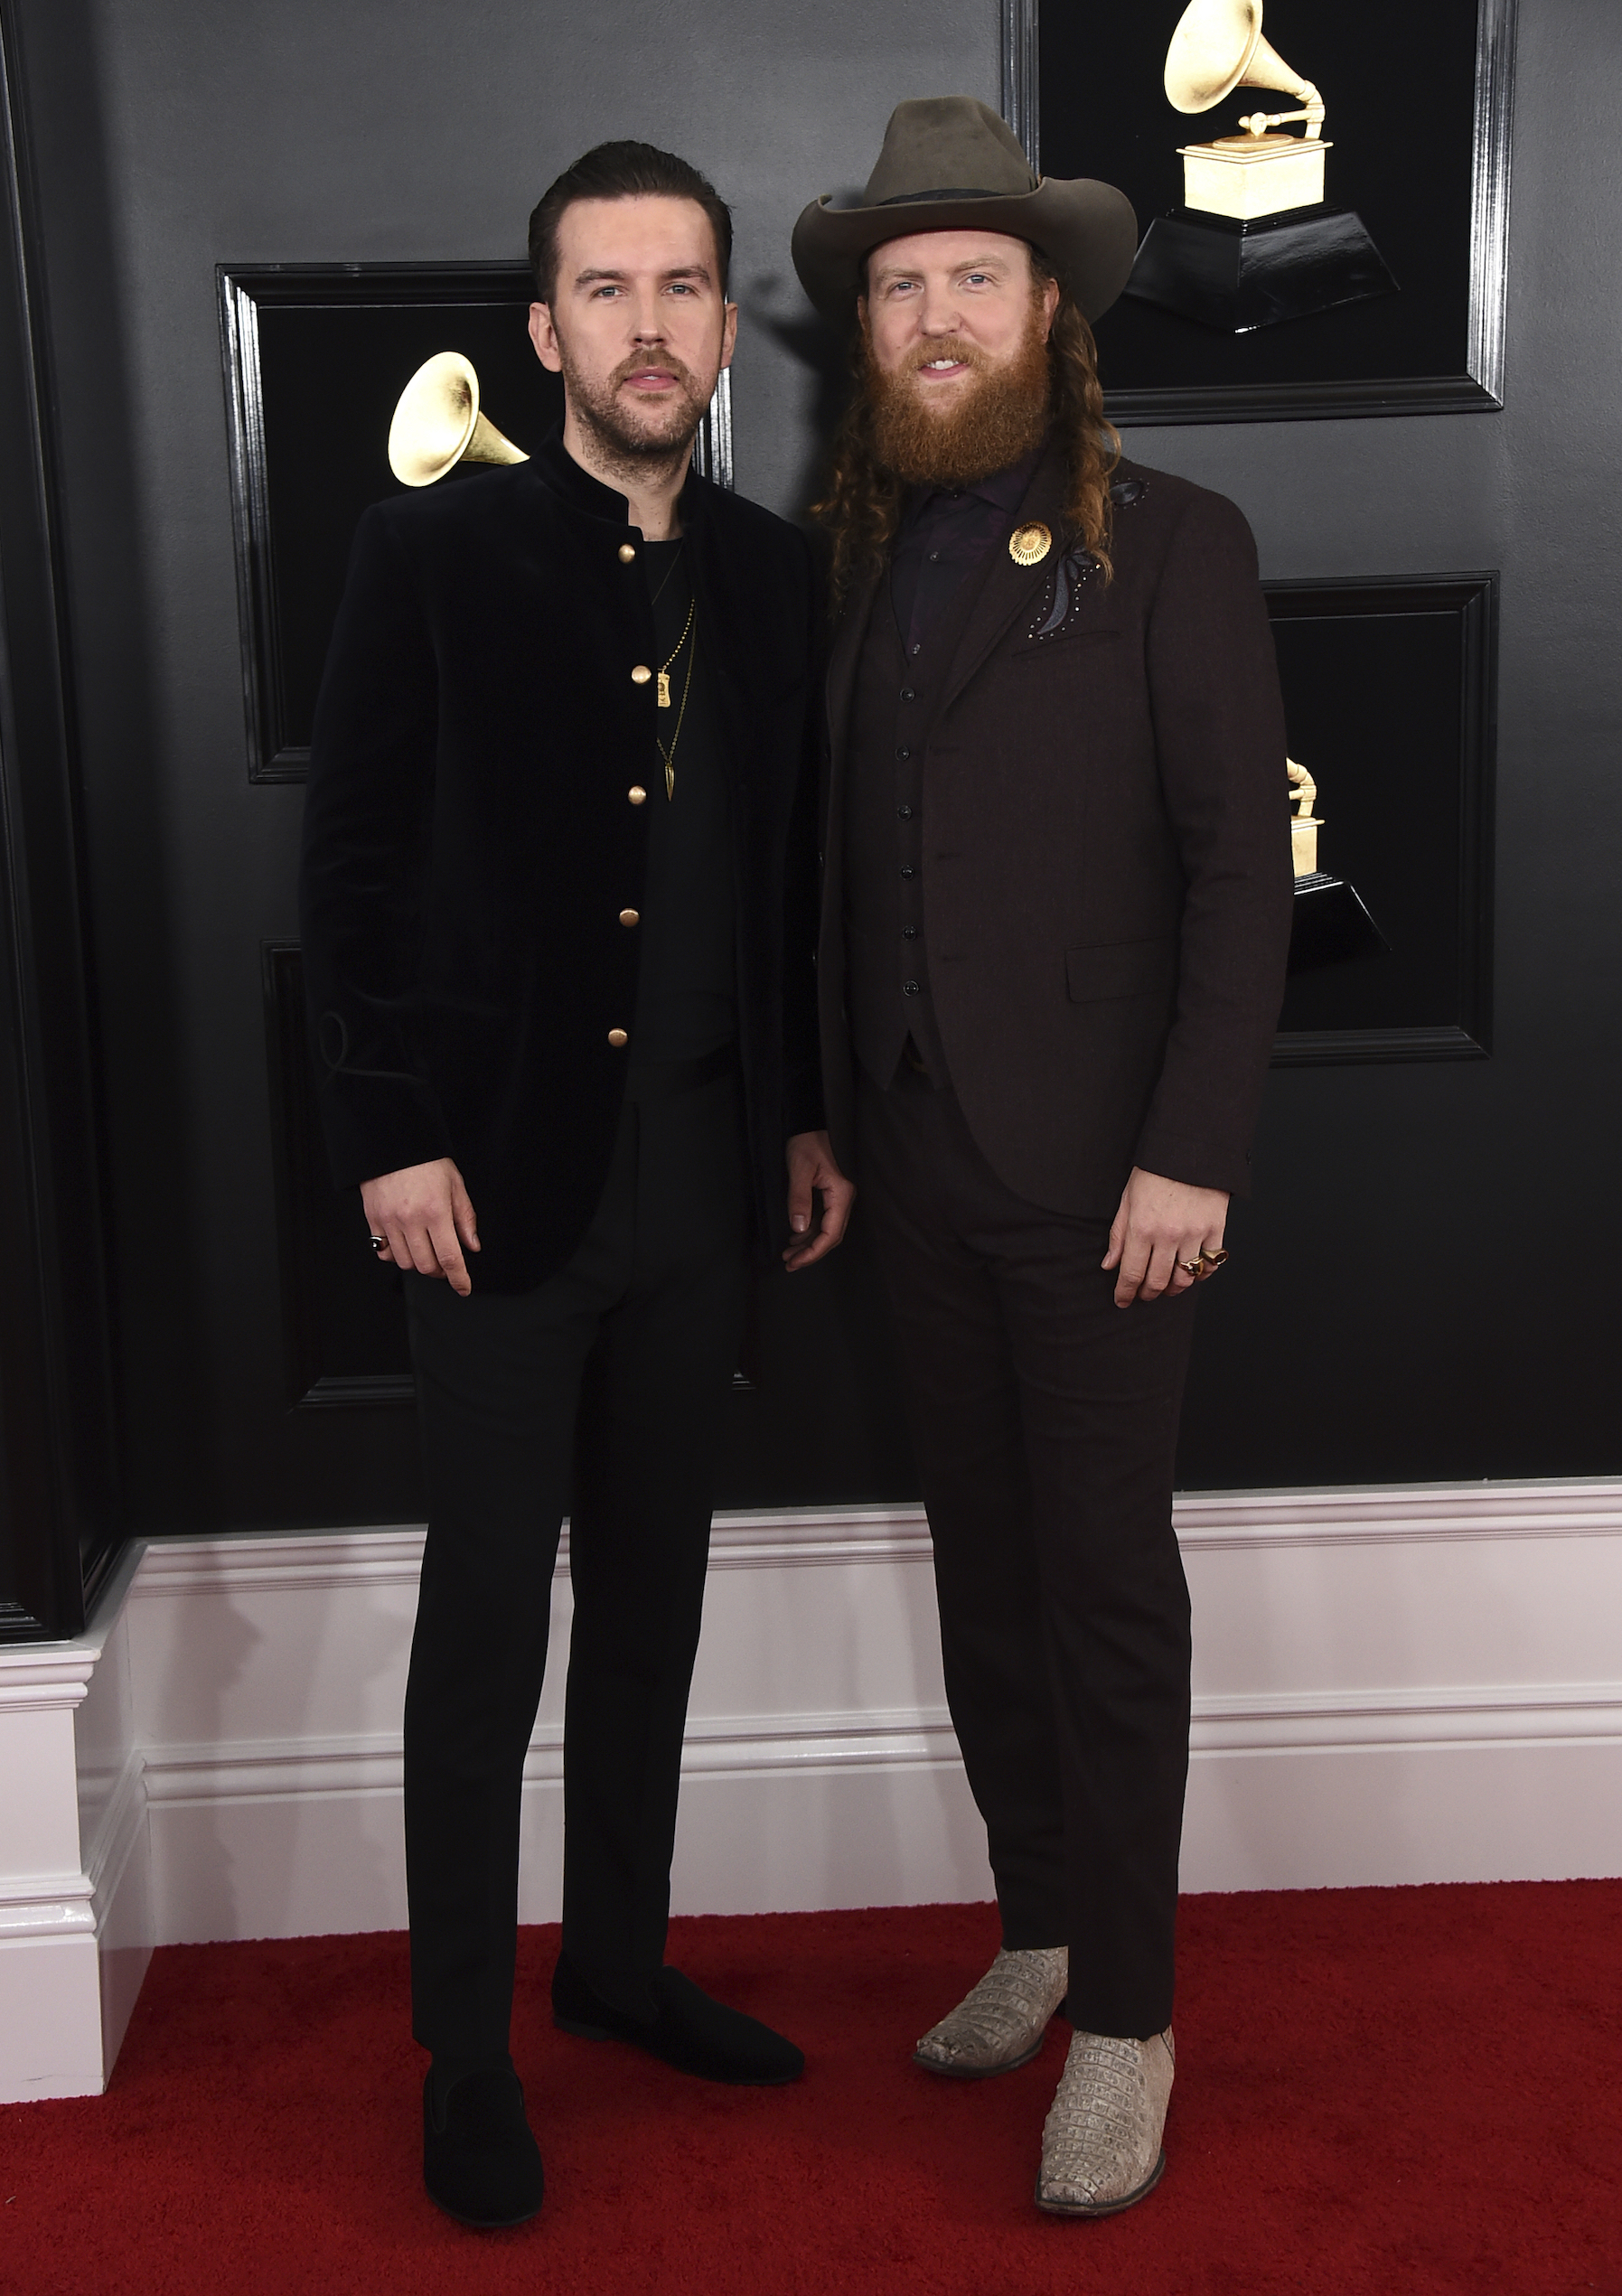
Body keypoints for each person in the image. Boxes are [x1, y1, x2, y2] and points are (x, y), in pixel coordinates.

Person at [301, 138, 853, 2230]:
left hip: (709, 1179)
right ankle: (465, 2051)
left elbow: (783, 881)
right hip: (501, 1185)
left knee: (653, 1608)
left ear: (723, 328)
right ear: (544, 332)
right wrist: (390, 1133)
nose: (647, 323)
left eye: (683, 286)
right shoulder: (425, 559)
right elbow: (347, 873)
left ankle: (618, 1969)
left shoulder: (779, 572)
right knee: (484, 1638)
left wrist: (799, 1113)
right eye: (605, 289)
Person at [792, 98, 1294, 2216]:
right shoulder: (841, 549)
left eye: (969, 278)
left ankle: (1132, 2016)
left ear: (1050, 314)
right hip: (908, 1153)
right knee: (984, 1576)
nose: (930, 315)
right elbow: (830, 866)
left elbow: (1234, 876)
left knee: (1102, 1592)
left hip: (1110, 1183)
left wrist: (1193, 1150)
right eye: (898, 285)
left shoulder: (1175, 540)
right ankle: (1042, 1922)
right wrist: (824, 1100)